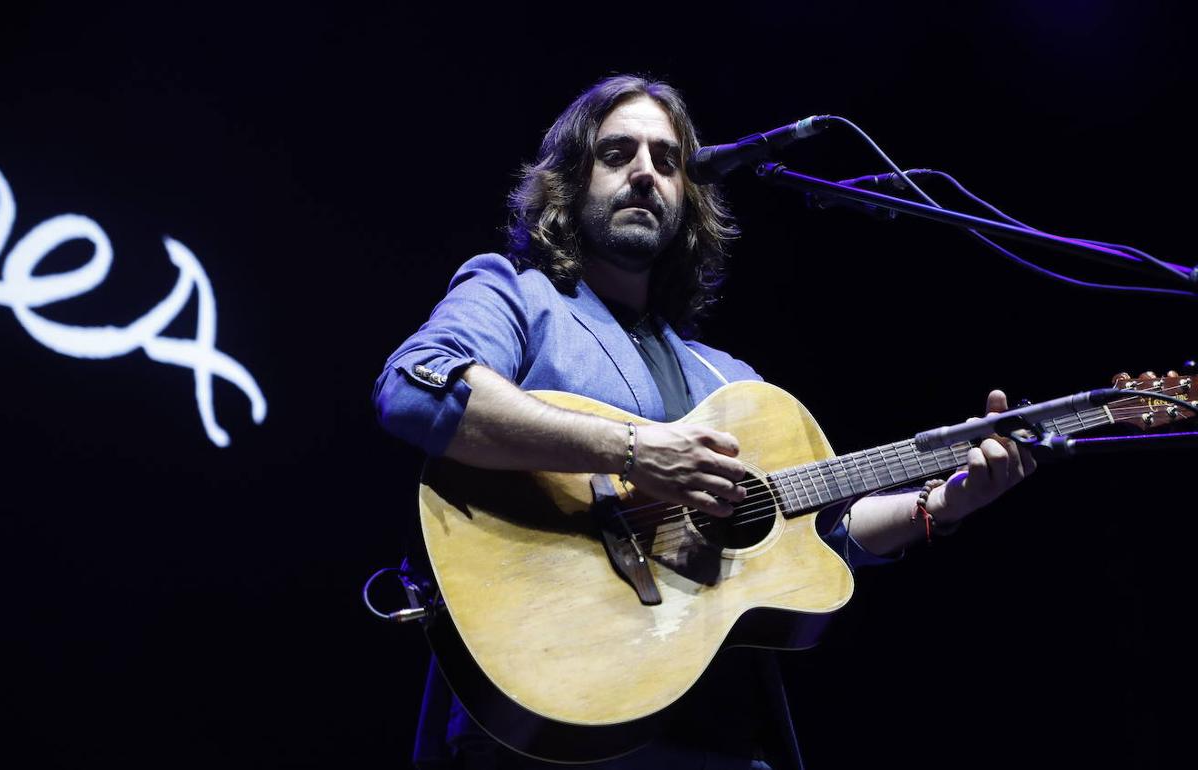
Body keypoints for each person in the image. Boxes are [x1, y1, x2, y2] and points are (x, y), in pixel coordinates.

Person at [373, 75, 1034, 770]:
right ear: (570, 181)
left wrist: (943, 502)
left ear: (689, 198)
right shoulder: (518, 296)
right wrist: (633, 450)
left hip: (722, 737)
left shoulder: (732, 380)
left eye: (667, 161)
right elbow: (415, 390)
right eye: (617, 152)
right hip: (550, 715)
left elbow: (822, 537)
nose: (644, 174)